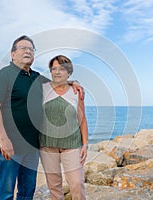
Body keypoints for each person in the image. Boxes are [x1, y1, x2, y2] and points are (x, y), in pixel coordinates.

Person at [0, 36, 84, 200]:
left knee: (27, 191)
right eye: (23, 48)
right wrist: (3, 139)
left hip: (32, 146)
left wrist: (74, 82)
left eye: (31, 49)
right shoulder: (4, 75)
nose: (28, 51)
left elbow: (59, 82)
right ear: (13, 54)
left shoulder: (36, 77)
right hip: (10, 146)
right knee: (6, 192)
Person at [39, 55, 88, 200]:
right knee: (54, 186)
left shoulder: (76, 92)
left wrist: (85, 144)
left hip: (72, 144)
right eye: (54, 69)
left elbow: (82, 119)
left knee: (77, 183)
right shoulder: (42, 88)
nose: (57, 72)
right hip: (47, 145)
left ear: (69, 72)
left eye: (61, 69)